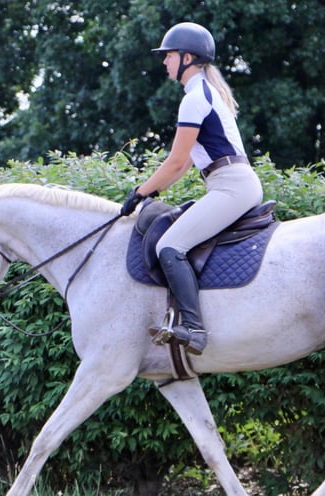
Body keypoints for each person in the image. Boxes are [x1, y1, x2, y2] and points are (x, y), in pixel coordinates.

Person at [120, 22, 263, 356]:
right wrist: (153, 191)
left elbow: (175, 161)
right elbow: (183, 166)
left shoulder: (195, 98)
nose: (164, 62)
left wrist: (139, 192)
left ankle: (195, 329)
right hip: (228, 183)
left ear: (187, 57)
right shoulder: (205, 94)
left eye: (168, 55)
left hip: (231, 187)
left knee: (170, 246)